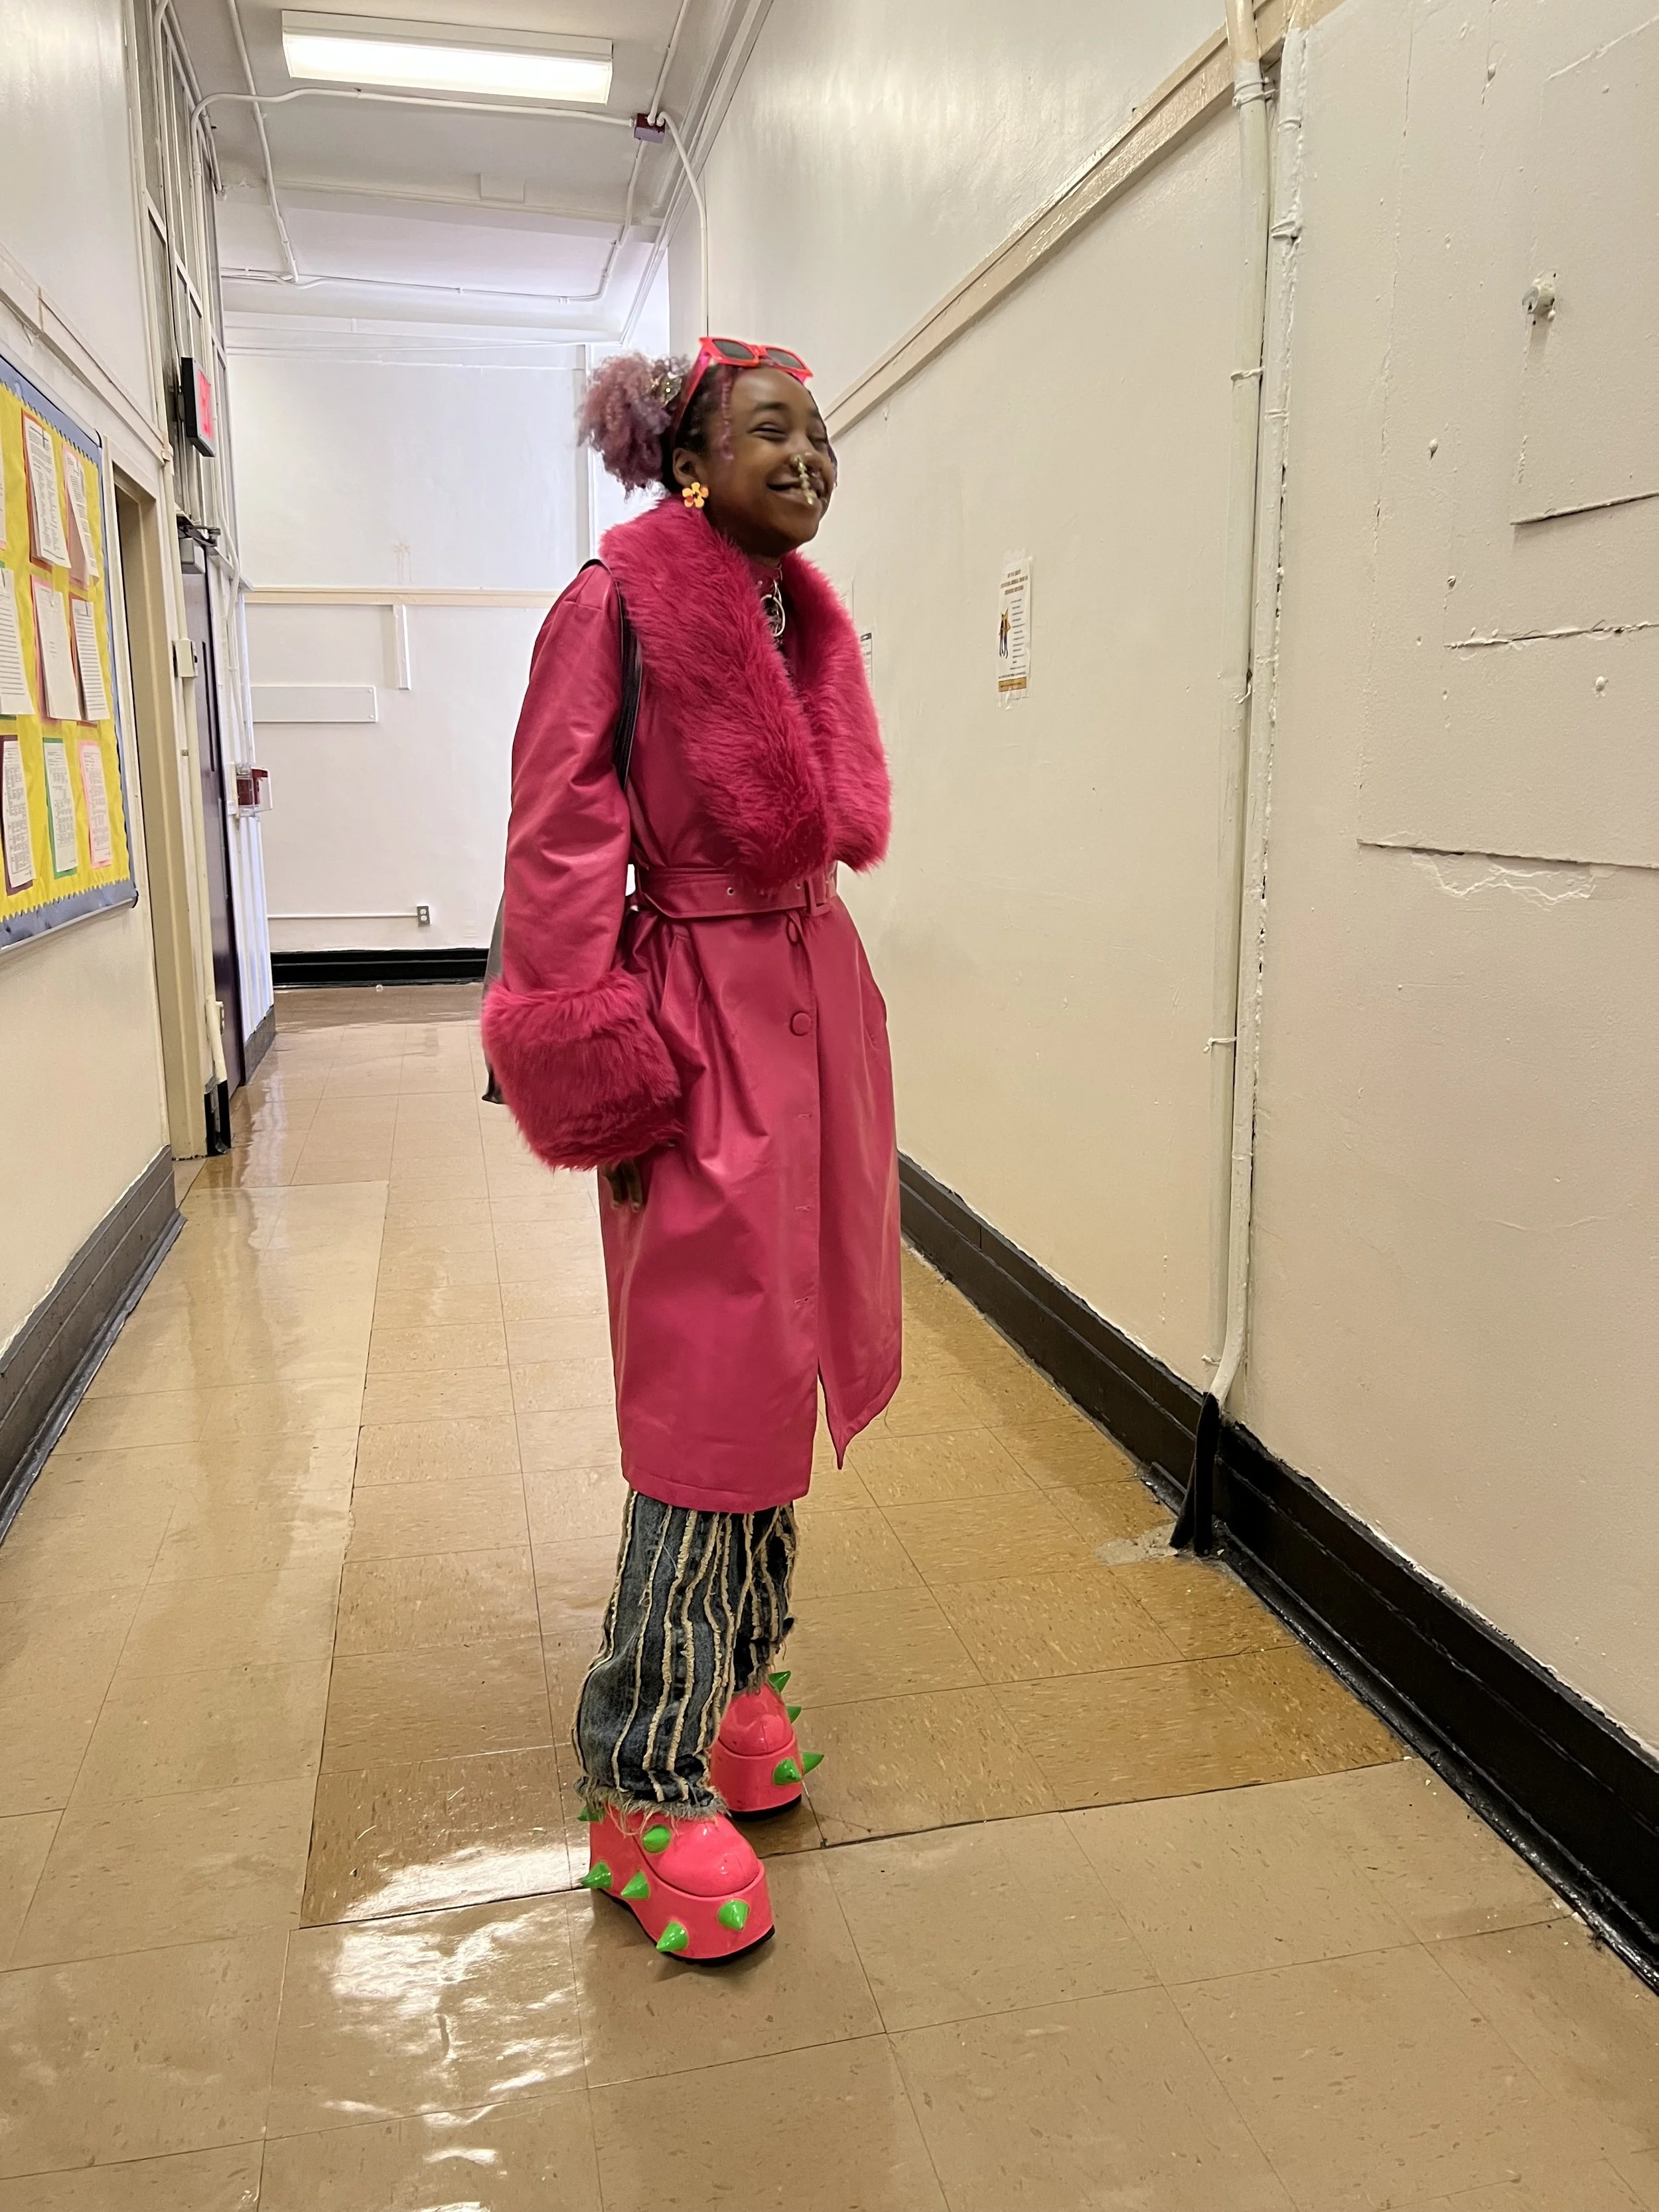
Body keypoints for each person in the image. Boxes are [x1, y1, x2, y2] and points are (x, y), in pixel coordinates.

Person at [482, 338, 901, 1959]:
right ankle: (638, 1779)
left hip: (814, 1001)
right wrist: (598, 1067)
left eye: (820, 434)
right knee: (706, 1385)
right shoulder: (614, 604)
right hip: (698, 1016)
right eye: (769, 431)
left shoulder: (794, 609)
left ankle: (735, 1682)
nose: (807, 457)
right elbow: (557, 841)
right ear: (684, 462)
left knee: (786, 1355)